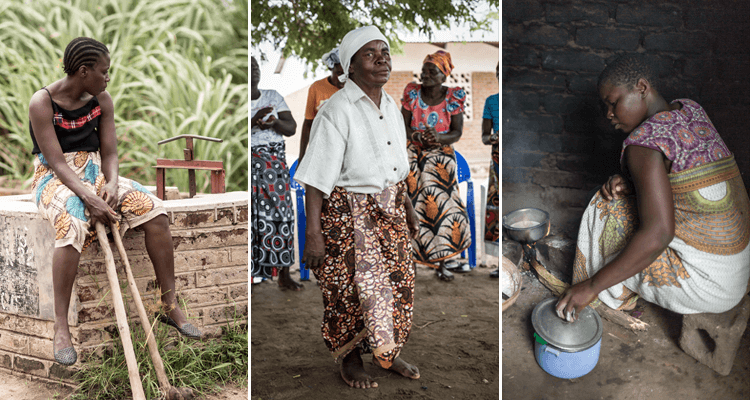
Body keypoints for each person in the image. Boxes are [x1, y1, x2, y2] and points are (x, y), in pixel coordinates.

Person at [28, 37, 201, 366]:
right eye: (104, 72)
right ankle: (61, 327)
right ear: (83, 71)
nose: (108, 77)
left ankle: (169, 305)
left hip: (97, 172)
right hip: (55, 177)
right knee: (71, 222)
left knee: (155, 211)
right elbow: (58, 163)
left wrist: (108, 183)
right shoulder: (43, 102)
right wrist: (88, 196)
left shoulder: (101, 100)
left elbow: (110, 152)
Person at [556, 54, 750, 323]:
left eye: (613, 103)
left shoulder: (642, 143)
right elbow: (685, 181)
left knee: (603, 208)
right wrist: (633, 182)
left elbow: (659, 234)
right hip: (738, 272)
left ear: (642, 88)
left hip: (709, 287)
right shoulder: (690, 109)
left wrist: (591, 285)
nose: (609, 115)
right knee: (627, 206)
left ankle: (602, 298)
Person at [295, 25, 421, 389]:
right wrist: (313, 233)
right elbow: (316, 180)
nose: (381, 58)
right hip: (346, 216)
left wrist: (407, 205)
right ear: (349, 66)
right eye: (370, 53)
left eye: (384, 51)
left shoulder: (392, 106)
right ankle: (349, 358)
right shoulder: (335, 111)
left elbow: (395, 167)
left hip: (391, 210)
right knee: (346, 290)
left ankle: (387, 352)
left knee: (398, 283)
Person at [401, 50, 471, 281]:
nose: (426, 75)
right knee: (408, 201)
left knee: (441, 206)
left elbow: (457, 132)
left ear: (444, 75)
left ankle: (443, 262)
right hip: (414, 153)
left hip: (441, 156)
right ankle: (408, 261)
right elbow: (403, 127)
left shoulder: (453, 96)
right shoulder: (412, 93)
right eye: (424, 70)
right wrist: (418, 138)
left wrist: (438, 138)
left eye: (432, 71)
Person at [250, 56, 303, 290]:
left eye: (255, 66)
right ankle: (250, 276)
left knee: (282, 214)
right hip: (249, 160)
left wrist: (272, 123)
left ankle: (284, 274)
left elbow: (291, 128)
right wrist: (253, 120)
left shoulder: (272, 96)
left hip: (274, 163)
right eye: (247, 66)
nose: (253, 70)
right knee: (251, 218)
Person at [297, 47, 345, 162]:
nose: (343, 78)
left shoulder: (354, 88)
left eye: (346, 74)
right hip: (322, 151)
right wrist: (301, 158)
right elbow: (308, 123)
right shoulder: (317, 88)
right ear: (330, 68)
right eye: (339, 73)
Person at [483, 63, 500, 278]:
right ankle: (500, 263)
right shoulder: (491, 101)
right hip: (497, 161)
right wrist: (493, 138)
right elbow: (484, 136)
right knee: (495, 210)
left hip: (513, 156)